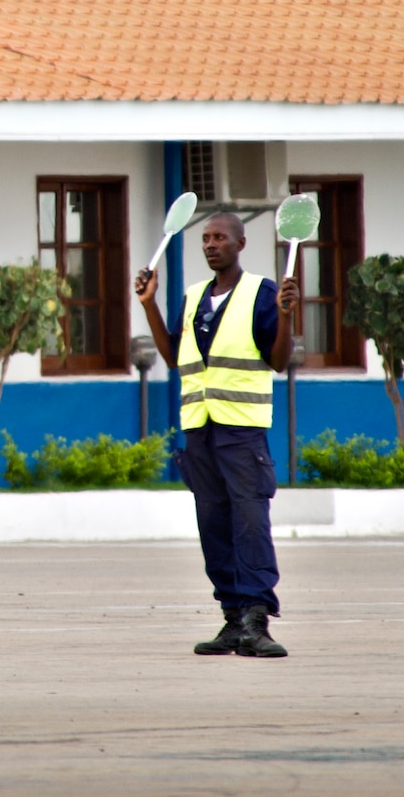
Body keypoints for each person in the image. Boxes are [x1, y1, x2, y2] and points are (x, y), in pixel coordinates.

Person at [133, 212, 300, 659]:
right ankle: (231, 618)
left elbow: (278, 360)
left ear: (240, 244)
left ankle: (256, 620)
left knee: (249, 524)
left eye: (220, 238)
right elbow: (173, 358)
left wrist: (285, 317)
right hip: (200, 430)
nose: (210, 245)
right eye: (205, 238)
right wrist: (149, 303)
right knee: (214, 526)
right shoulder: (191, 299)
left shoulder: (261, 293)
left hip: (241, 429)